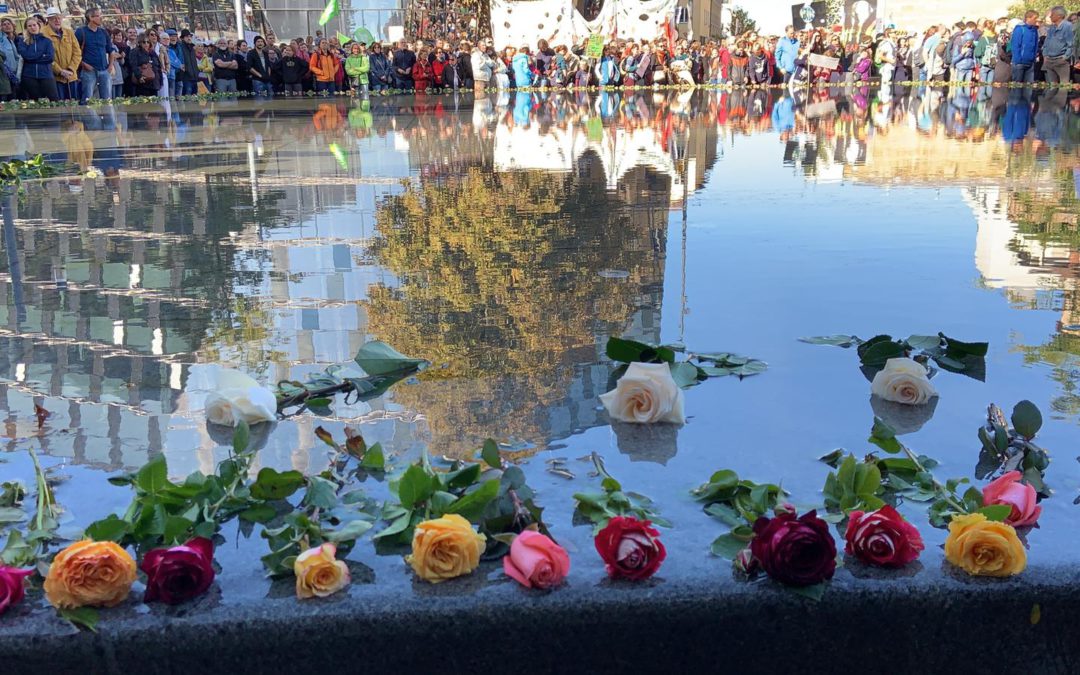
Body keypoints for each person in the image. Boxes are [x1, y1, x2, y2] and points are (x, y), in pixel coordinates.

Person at [74, 6, 114, 103]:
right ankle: (88, 117)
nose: (101, 18)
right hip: (88, 71)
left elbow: (110, 50)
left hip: (104, 70)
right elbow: (75, 52)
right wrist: (83, 64)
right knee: (87, 99)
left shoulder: (103, 32)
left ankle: (108, 117)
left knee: (107, 100)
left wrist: (110, 66)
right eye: (98, 16)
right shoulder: (81, 32)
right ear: (90, 18)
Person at [42, 7, 81, 100]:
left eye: (59, 18)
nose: (57, 20)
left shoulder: (69, 32)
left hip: (71, 77)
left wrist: (71, 69)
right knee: (59, 107)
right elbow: (44, 56)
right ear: (48, 19)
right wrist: (60, 71)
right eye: (54, 18)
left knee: (74, 105)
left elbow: (77, 52)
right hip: (54, 78)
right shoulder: (42, 34)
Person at [17, 16, 56, 100]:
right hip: (29, 76)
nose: (32, 28)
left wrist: (32, 57)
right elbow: (26, 56)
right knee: (35, 102)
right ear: (26, 28)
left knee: (53, 99)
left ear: (38, 26)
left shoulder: (47, 41)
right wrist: (41, 54)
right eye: (29, 26)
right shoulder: (22, 41)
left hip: (46, 75)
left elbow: (50, 58)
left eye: (34, 25)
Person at [1041, 6, 1074, 85]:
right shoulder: (1052, 27)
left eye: (1052, 14)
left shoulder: (1067, 26)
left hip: (1061, 60)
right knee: (1052, 86)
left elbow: (1071, 44)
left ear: (1059, 16)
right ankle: (1050, 98)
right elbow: (1047, 42)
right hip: (1049, 60)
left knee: (1063, 86)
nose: (1050, 16)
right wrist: (1045, 55)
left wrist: (1065, 57)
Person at [1010, 11, 1040, 83]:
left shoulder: (1034, 30)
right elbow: (1015, 45)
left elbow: (1035, 45)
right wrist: (1018, 60)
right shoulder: (1020, 29)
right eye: (1034, 18)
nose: (1036, 20)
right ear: (1028, 18)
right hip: (1020, 63)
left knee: (1028, 87)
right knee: (1017, 87)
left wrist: (1034, 57)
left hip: (1030, 62)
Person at [0, 16, 22, 98]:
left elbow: (18, 57)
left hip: (18, 71)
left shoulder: (20, 39)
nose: (6, 26)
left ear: (13, 26)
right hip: (6, 72)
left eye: (8, 24)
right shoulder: (2, 39)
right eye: (4, 24)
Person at [174, 29, 198, 96]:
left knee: (195, 97)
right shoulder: (180, 47)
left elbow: (194, 62)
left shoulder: (192, 48)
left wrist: (196, 73)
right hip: (186, 77)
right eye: (187, 36)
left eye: (190, 36)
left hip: (194, 77)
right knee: (188, 97)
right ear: (182, 38)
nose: (189, 38)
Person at [110, 28, 127, 99]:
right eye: (116, 35)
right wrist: (120, 55)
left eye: (120, 35)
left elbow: (122, 63)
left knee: (119, 97)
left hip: (119, 74)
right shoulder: (111, 46)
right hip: (112, 74)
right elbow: (113, 56)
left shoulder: (124, 47)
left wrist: (122, 57)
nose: (118, 37)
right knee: (113, 96)